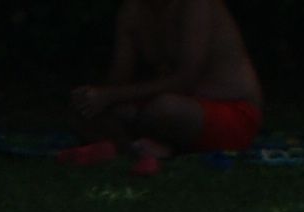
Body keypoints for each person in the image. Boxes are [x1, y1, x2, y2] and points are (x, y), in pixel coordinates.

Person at [70, 0, 265, 159]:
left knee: (165, 109)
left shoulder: (196, 5)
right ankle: (136, 147)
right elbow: (118, 82)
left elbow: (185, 79)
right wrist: (94, 98)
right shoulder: (133, 11)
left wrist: (109, 96)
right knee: (89, 112)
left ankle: (145, 146)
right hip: (170, 104)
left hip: (229, 110)